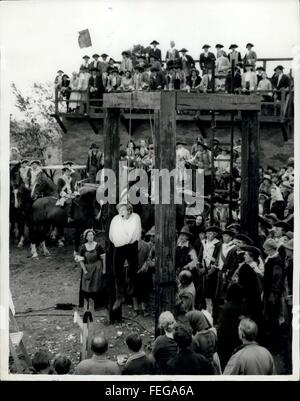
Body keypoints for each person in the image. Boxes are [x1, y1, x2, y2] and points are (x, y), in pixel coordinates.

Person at [109, 202, 142, 310]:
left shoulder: (135, 218)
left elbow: (134, 233)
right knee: (117, 271)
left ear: (129, 211)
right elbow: (112, 234)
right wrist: (119, 241)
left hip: (131, 246)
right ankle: (119, 297)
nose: (121, 212)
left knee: (133, 272)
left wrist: (125, 239)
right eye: (119, 210)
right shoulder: (116, 219)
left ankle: (134, 297)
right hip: (119, 247)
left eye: (123, 210)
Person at [262, 238, 285, 350]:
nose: (264, 251)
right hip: (268, 292)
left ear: (270, 249)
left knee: (272, 317)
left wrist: (273, 294)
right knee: (269, 316)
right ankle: (270, 341)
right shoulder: (271, 259)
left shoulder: (276, 261)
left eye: (266, 249)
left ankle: (273, 343)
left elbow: (277, 279)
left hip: (272, 295)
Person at [77, 229, 106, 309]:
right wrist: (85, 270)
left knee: (97, 285)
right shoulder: (83, 247)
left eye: (92, 235)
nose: (91, 237)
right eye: (89, 235)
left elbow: (103, 258)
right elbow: (81, 260)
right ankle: (88, 305)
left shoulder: (98, 246)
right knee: (87, 285)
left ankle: (98, 305)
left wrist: (104, 270)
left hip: (97, 267)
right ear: (86, 237)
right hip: (87, 268)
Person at [187, 310, 220, 374]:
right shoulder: (213, 334)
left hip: (201, 370)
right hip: (212, 369)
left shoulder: (195, 339)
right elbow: (215, 351)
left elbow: (193, 358)